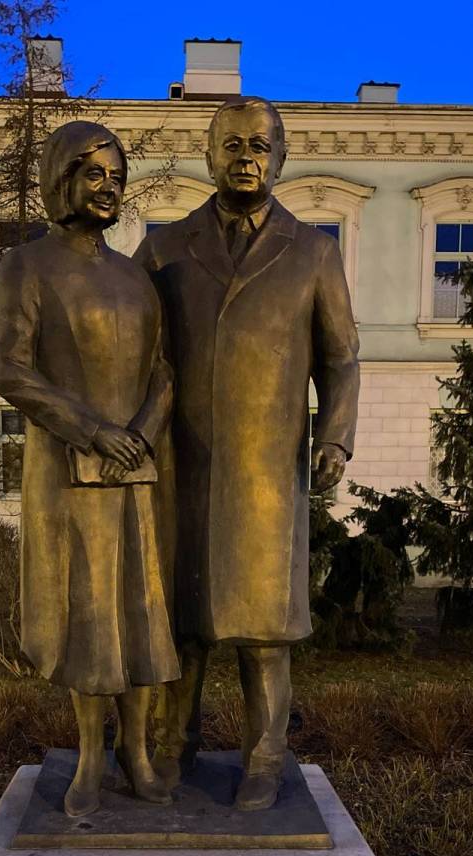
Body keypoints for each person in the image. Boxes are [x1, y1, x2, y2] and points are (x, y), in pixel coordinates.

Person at [135, 97, 360, 811]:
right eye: (231, 145)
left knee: (265, 630)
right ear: (209, 156)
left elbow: (341, 358)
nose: (245, 158)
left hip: (268, 471)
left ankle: (265, 757)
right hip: (182, 466)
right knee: (183, 623)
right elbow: (135, 349)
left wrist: (334, 437)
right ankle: (171, 746)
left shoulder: (314, 252)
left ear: (280, 158)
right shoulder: (164, 249)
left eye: (259, 146)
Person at [0, 121, 178, 818]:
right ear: (61, 178)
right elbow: (8, 369)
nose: (108, 188)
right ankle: (92, 758)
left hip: (135, 474)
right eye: (94, 173)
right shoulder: (27, 266)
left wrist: (141, 435)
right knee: (90, 622)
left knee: (142, 617)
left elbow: (163, 373)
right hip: (70, 473)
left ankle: (138, 752)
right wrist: (95, 431)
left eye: (117, 177)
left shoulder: (135, 276)